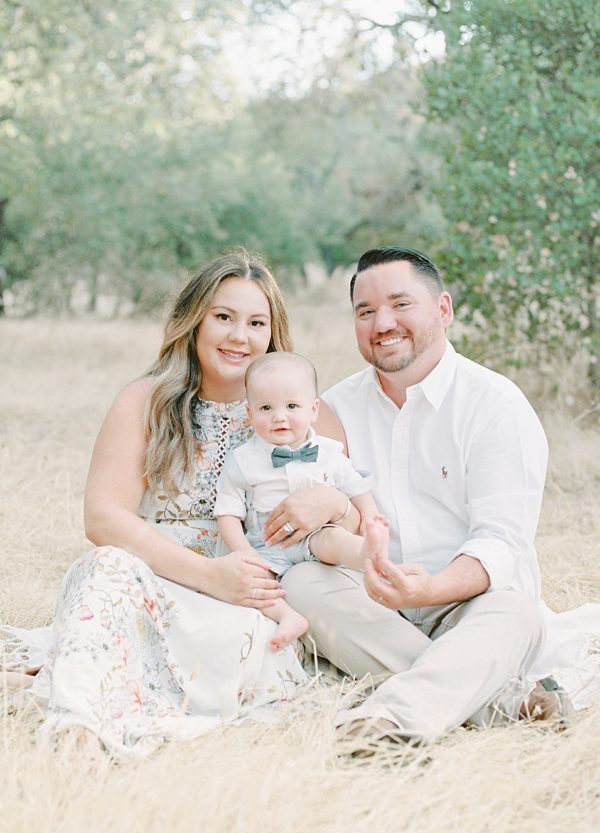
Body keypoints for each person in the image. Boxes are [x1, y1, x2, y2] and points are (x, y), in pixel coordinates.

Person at [1, 250, 330, 760]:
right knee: (104, 567)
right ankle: (78, 732)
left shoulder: (297, 408)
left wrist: (331, 500)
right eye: (223, 317)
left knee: (252, 643)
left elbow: (344, 503)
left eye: (256, 322)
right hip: (151, 578)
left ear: (273, 332)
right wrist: (205, 573)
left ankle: (62, 683)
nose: (239, 336)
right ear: (194, 320)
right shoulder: (145, 399)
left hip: (243, 595)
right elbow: (103, 517)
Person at [277, 245, 574, 749]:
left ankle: (387, 723)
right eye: (365, 311)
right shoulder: (334, 410)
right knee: (303, 582)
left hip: (471, 606)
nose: (382, 323)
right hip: (376, 607)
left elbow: (501, 543)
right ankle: (501, 702)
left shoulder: (495, 405)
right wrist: (338, 518)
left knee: (517, 612)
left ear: (443, 309)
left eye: (400, 304)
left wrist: (430, 589)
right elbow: (324, 532)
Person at [215, 350, 388, 651]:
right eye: (266, 407)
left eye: (292, 406)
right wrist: (244, 553)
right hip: (267, 545)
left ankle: (367, 554)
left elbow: (356, 486)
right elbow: (227, 512)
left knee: (332, 539)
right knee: (253, 584)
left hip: (316, 535)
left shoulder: (329, 452)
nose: (279, 416)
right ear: (250, 413)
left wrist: (371, 517)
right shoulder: (243, 461)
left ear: (314, 410)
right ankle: (288, 617)